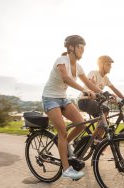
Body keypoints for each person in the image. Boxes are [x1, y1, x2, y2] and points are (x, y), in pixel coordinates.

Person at [42, 35, 103, 180]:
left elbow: (89, 83)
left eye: (83, 48)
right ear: (71, 47)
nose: (82, 50)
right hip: (50, 99)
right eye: (80, 47)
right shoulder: (61, 61)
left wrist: (105, 93)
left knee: (80, 123)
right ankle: (66, 169)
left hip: (63, 99)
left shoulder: (79, 67)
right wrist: (84, 90)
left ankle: (64, 144)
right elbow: (66, 78)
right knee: (62, 132)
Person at [78, 55, 124, 141]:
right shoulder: (94, 73)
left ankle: (98, 142)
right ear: (101, 65)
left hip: (94, 102)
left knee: (105, 123)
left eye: (110, 65)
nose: (110, 67)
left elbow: (115, 89)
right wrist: (93, 84)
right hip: (84, 100)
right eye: (108, 65)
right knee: (106, 110)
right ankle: (93, 140)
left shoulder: (105, 78)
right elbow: (90, 83)